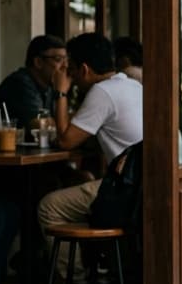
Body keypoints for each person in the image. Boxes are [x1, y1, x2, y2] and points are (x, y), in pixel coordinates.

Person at [37, 32, 143, 233]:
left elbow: (65, 141)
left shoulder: (102, 91)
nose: (72, 79)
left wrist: (61, 92)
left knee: (48, 207)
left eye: (72, 72)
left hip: (128, 189)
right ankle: (93, 259)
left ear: (84, 69)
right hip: (141, 183)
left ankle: (75, 266)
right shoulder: (131, 84)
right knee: (80, 178)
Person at [0, 35, 67, 133]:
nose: (65, 66)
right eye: (58, 59)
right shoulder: (20, 83)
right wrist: (61, 93)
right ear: (38, 62)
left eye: (66, 60)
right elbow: (41, 125)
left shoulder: (49, 86)